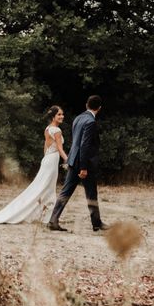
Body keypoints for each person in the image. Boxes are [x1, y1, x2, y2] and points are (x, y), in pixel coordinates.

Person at [0, 106, 68, 225]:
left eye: (62, 114)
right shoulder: (57, 131)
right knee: (46, 188)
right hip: (51, 160)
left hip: (48, 160)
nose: (62, 116)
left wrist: (45, 159)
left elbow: (46, 146)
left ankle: (48, 215)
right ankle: (48, 216)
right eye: (59, 114)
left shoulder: (48, 129)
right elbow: (60, 149)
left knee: (43, 187)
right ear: (53, 116)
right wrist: (68, 160)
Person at [47, 95, 108, 232]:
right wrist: (84, 167)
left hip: (73, 160)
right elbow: (84, 145)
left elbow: (76, 143)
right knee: (91, 193)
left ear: (87, 105)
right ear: (99, 108)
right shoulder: (91, 122)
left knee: (65, 191)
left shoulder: (78, 118)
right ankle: (97, 223)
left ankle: (53, 220)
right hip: (84, 163)